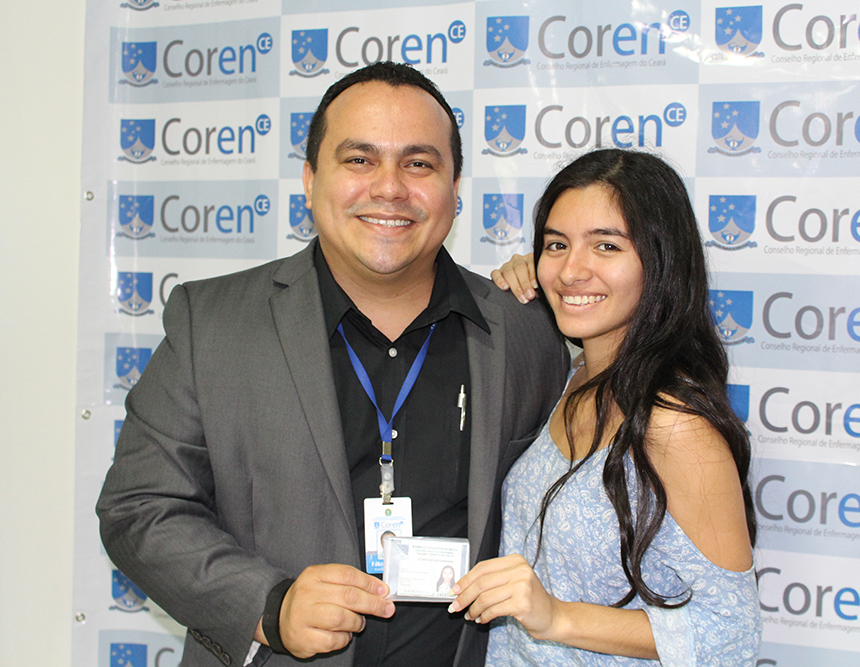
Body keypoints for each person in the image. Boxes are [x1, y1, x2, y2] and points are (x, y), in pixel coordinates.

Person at [96, 62, 569, 667]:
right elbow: (139, 507)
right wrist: (270, 607)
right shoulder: (210, 323)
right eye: (360, 159)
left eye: (418, 164)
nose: (390, 188)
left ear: (455, 188)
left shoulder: (527, 330)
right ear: (309, 178)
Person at [449, 149, 761, 666]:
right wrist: (522, 288)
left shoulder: (674, 425)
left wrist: (558, 617)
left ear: (660, 262)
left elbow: (732, 632)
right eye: (557, 244)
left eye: (607, 246)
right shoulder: (574, 377)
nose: (572, 270)